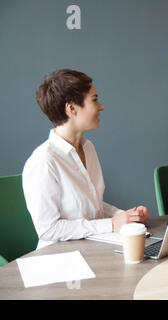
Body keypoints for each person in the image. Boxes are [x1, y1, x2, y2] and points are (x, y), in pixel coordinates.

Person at [23, 69, 149, 249]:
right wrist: (112, 224)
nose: (101, 107)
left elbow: (92, 206)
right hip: (58, 259)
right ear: (71, 108)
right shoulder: (44, 161)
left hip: (92, 248)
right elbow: (48, 229)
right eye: (95, 99)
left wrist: (128, 217)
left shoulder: (88, 148)